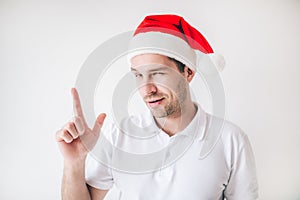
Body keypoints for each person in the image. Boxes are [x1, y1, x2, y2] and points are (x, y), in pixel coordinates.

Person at [56, 14, 258, 200]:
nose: (146, 89)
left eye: (158, 73)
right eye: (138, 75)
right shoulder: (119, 134)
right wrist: (74, 163)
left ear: (188, 72)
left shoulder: (231, 140)